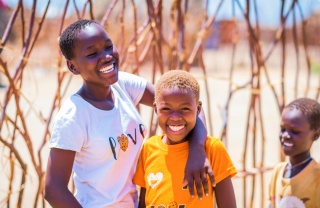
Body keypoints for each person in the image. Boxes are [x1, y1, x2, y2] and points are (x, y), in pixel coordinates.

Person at [44, 19, 214, 208]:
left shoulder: (123, 85)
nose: (106, 56)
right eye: (93, 53)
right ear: (73, 66)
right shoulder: (74, 117)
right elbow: (54, 189)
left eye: (108, 46)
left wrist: (198, 150)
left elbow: (185, 103)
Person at [133, 70, 237, 208]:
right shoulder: (149, 148)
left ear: (198, 109)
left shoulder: (212, 149)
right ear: (155, 109)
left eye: (185, 108)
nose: (175, 117)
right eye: (166, 108)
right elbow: (144, 202)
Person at [269, 98, 320, 208]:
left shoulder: (317, 177)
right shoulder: (278, 172)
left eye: (295, 131)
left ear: (315, 135)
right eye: (283, 129)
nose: (285, 135)